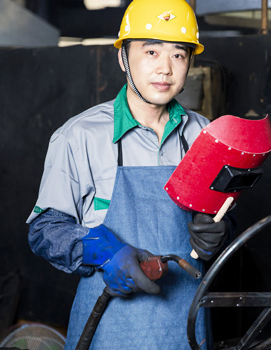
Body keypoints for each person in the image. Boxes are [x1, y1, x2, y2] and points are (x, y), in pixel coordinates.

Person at [27, 0, 233, 348]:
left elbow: (223, 216)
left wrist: (220, 231)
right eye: (151, 51)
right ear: (123, 57)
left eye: (179, 55)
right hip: (111, 327)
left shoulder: (205, 135)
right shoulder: (80, 135)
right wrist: (104, 250)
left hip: (186, 327)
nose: (165, 68)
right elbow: (44, 230)